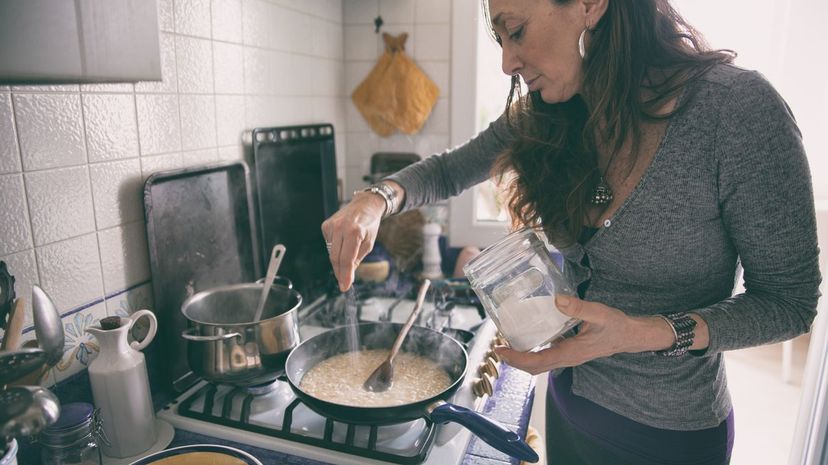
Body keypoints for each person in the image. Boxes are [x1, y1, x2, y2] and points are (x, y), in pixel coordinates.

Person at [322, 0, 822, 463]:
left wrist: (639, 334)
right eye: (501, 41)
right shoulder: (549, 115)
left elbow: (789, 302)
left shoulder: (735, 112)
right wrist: (374, 200)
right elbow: (447, 172)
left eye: (516, 32)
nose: (507, 63)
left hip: (669, 437)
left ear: (589, 5)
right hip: (567, 411)